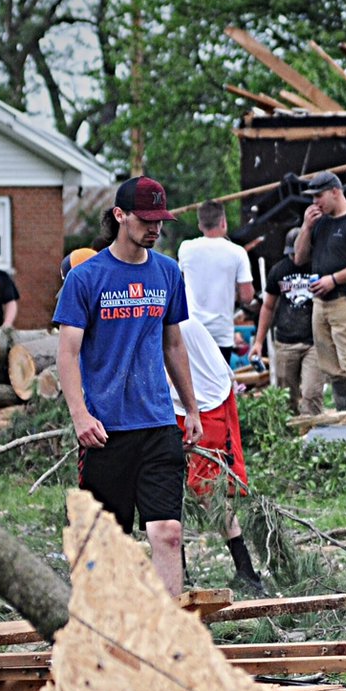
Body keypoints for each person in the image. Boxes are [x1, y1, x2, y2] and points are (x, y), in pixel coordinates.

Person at [54, 175, 203, 594]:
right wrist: (80, 415)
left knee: (168, 533)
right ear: (120, 215)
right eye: (146, 219)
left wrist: (190, 409)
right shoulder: (86, 278)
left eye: (160, 219)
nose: (155, 227)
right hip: (106, 431)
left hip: (157, 422)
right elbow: (66, 353)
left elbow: (174, 344)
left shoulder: (168, 272)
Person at [169, 314, 265, 596]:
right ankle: (178, 571)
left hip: (206, 404)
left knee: (207, 489)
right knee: (168, 487)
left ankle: (246, 571)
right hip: (174, 405)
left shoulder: (177, 322)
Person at [290, 172, 346, 408]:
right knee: (331, 366)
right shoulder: (320, 223)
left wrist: (334, 279)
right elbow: (299, 258)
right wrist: (306, 227)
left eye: (318, 196)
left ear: (335, 192)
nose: (314, 203)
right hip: (322, 304)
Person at [252, 226, 322, 416]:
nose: (295, 257)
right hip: (285, 341)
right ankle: (291, 435)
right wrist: (258, 341)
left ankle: (313, 435)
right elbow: (267, 307)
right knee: (286, 395)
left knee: (311, 392)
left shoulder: (319, 267)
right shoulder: (279, 270)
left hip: (314, 341)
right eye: (292, 253)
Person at [176, 201, 256, 366]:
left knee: (193, 387)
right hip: (221, 334)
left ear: (200, 224)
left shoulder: (186, 248)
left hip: (191, 331)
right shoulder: (237, 252)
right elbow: (247, 297)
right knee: (219, 388)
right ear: (223, 222)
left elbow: (181, 283)